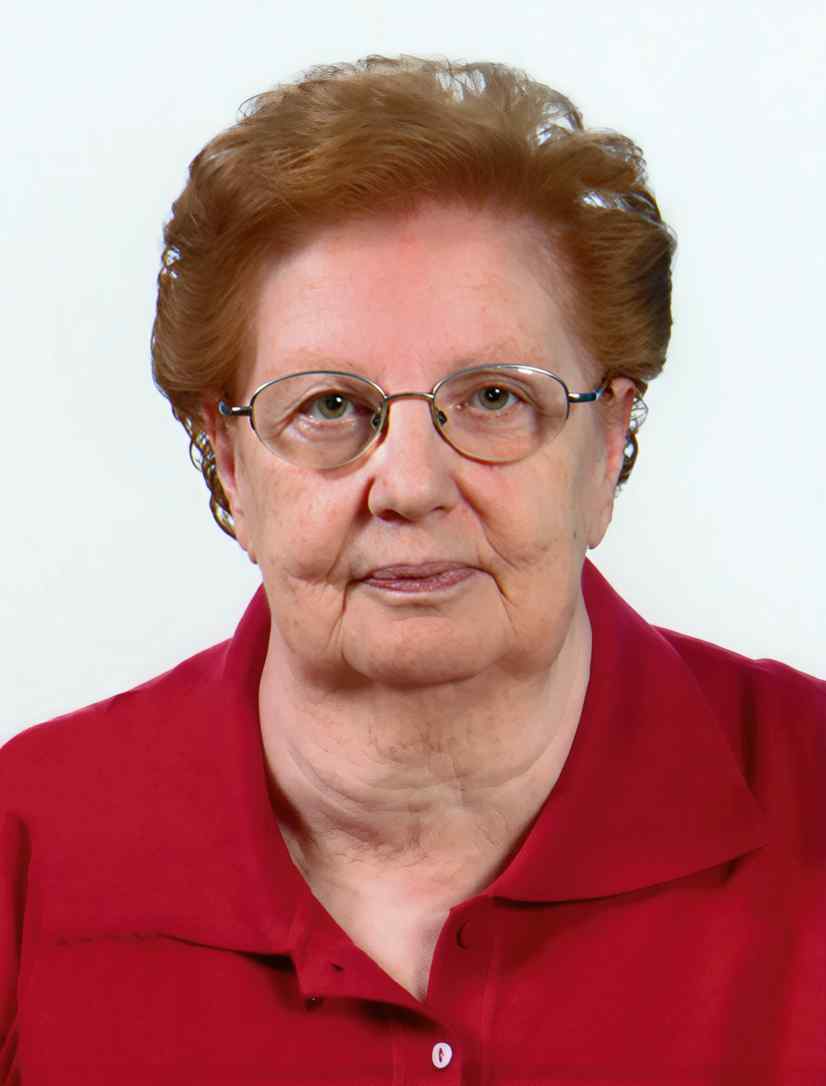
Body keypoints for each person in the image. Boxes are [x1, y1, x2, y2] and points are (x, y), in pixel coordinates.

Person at [1, 54, 823, 1085]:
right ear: (229, 463)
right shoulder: (24, 857)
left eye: (492, 398)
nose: (411, 485)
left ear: (607, 443)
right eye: (329, 406)